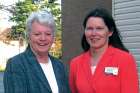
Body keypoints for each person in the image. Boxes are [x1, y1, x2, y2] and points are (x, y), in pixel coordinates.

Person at [69, 7, 139, 93]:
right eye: (89, 28)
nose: (94, 33)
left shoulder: (125, 60)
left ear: (110, 32)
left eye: (99, 28)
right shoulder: (75, 63)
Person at [4, 9, 70, 93]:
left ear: (53, 37)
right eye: (37, 34)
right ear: (29, 36)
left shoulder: (59, 65)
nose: (43, 38)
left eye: (48, 34)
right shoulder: (16, 64)